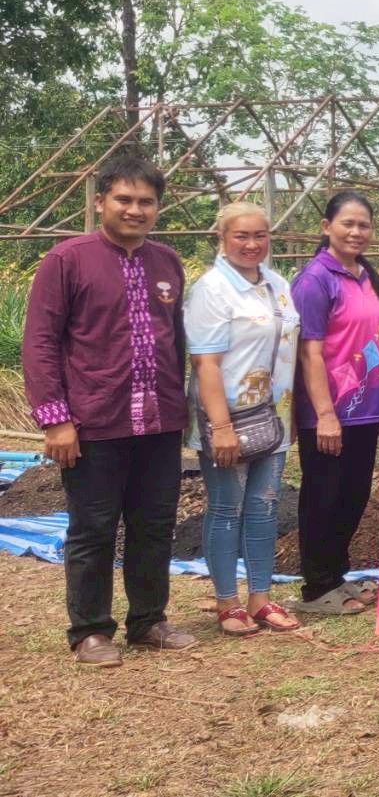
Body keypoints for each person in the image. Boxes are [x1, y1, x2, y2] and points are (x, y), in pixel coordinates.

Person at [23, 156, 198, 664]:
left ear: (158, 208)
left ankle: (149, 620)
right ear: (100, 202)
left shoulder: (167, 263)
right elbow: (39, 343)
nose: (135, 210)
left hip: (160, 420)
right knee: (94, 527)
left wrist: (184, 413)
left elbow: (177, 342)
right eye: (124, 199)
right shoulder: (68, 259)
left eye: (146, 202)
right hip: (94, 420)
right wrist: (56, 419)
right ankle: (90, 630)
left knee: (154, 523)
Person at [185, 202, 302, 636]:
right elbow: (206, 365)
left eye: (260, 235)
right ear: (222, 238)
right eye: (242, 236)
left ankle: (260, 597)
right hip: (228, 420)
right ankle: (226, 601)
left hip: (273, 419)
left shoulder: (278, 284)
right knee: (226, 508)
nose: (252, 244)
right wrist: (221, 427)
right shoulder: (212, 289)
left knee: (264, 506)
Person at [290, 191, 379, 615]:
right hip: (328, 413)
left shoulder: (366, 275)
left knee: (351, 495)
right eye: (347, 223)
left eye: (363, 225)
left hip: (366, 408)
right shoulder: (315, 279)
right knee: (323, 495)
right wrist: (325, 414)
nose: (356, 231)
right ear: (326, 226)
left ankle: (338, 574)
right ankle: (316, 586)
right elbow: (308, 351)